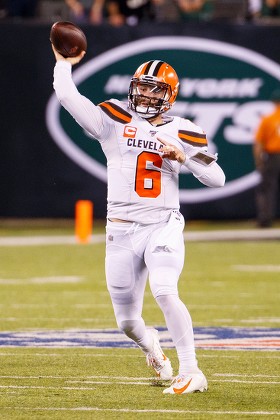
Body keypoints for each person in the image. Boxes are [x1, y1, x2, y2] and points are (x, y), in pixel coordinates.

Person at [51, 46, 225, 394]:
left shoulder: (184, 129)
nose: (144, 93)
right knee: (127, 322)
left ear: (169, 95)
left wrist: (184, 158)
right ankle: (153, 349)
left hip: (162, 223)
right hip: (120, 229)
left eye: (153, 88)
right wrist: (62, 64)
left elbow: (217, 178)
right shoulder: (113, 120)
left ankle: (191, 371)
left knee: (164, 288)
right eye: (140, 86)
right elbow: (68, 96)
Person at [253, 89, 280, 228]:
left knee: (267, 188)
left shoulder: (268, 119)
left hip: (274, 156)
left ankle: (265, 219)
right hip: (274, 155)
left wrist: (259, 161)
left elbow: (258, 143)